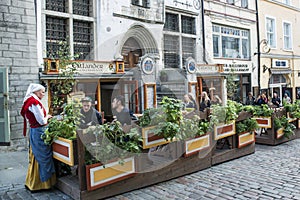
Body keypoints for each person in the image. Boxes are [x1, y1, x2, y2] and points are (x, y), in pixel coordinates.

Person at [20, 83, 56, 192]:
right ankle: (41, 184)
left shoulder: (29, 101)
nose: (43, 94)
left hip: (34, 131)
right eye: (42, 92)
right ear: (36, 91)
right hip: (39, 132)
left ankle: (32, 181)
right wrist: (48, 117)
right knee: (42, 156)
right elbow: (41, 121)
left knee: (35, 155)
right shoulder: (33, 102)